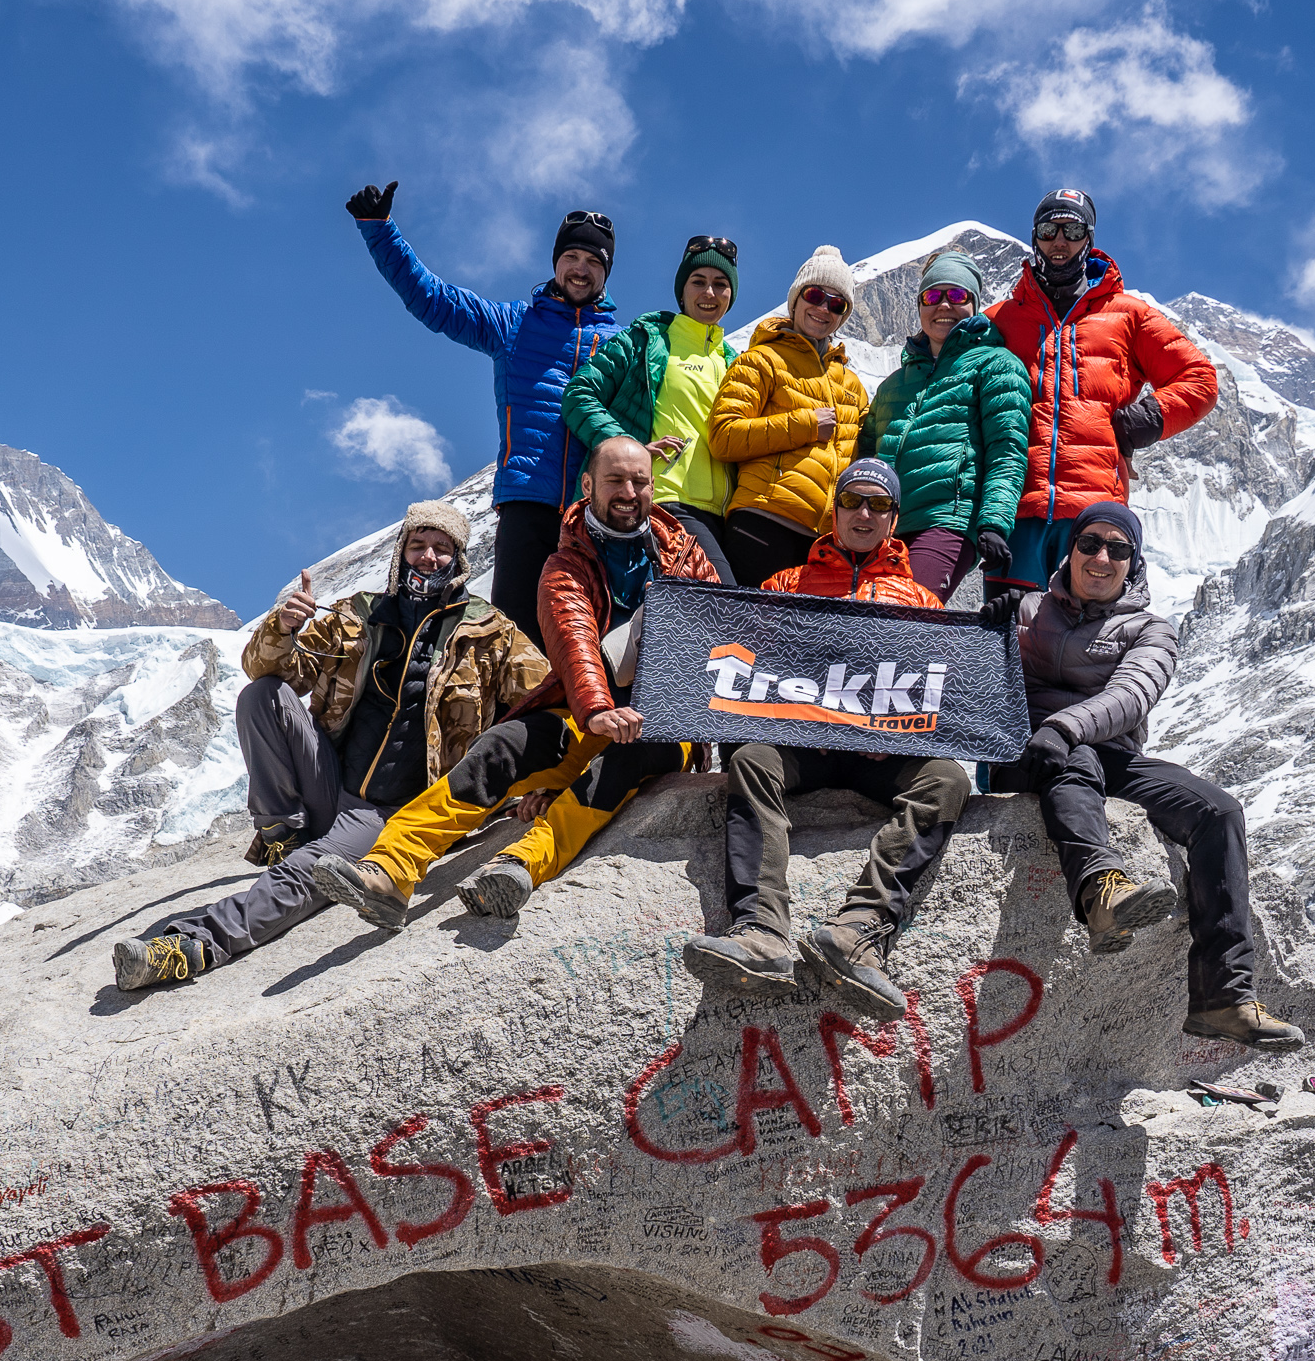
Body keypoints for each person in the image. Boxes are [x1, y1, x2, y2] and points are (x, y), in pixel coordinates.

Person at [112, 504, 547, 991]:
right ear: (401, 552)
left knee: (307, 874)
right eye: (418, 545)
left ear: (458, 559)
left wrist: (543, 789)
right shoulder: (355, 615)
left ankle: (189, 946)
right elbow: (269, 670)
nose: (428, 557)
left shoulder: (491, 633)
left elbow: (545, 706)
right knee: (262, 697)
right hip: (328, 781)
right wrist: (283, 627)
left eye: (441, 548)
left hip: (388, 812)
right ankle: (284, 833)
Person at [314, 437, 722, 927]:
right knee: (504, 745)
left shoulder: (684, 553)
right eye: (615, 480)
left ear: (654, 486)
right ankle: (392, 867)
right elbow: (575, 640)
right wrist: (595, 708)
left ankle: (521, 863)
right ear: (588, 485)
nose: (629, 492)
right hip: (588, 711)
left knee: (627, 760)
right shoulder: (566, 564)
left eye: (640, 481)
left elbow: (715, 626)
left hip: (664, 722)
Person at [1010, 500, 1305, 1052]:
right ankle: (1100, 891)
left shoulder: (1151, 630)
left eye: (1117, 549)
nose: (1101, 557)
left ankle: (1224, 997)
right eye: (1090, 543)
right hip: (1034, 754)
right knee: (1080, 761)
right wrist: (991, 627)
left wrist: (1065, 726)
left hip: (1099, 748)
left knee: (1218, 811)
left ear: (1134, 563)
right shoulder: (1026, 610)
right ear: (1070, 551)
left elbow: (1131, 696)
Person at [684, 459, 973, 1018]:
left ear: (894, 519)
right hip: (802, 749)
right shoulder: (786, 584)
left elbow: (939, 696)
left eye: (879, 505)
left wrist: (901, 735)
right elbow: (749, 669)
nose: (865, 513)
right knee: (750, 759)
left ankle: (858, 933)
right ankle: (761, 933)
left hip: (881, 755)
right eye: (853, 501)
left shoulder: (922, 603)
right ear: (834, 510)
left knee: (947, 779)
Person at [349, 180, 621, 648]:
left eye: (594, 261)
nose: (581, 269)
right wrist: (380, 231)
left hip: (591, 513)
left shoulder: (621, 343)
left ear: (606, 273)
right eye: (572, 257)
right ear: (556, 261)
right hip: (526, 507)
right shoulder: (513, 323)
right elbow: (433, 300)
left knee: (588, 641)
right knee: (512, 638)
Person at [986, 189, 1216, 595]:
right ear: (1035, 237)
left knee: (1080, 649)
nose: (1060, 240)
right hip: (1017, 511)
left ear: (1088, 237)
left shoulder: (1129, 314)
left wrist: (1144, 420)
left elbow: (1199, 378)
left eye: (1072, 229)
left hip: (1094, 519)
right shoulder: (1002, 318)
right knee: (1007, 645)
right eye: (1048, 229)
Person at [561, 235, 740, 583]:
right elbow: (579, 394)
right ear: (682, 289)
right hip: (667, 503)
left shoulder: (735, 362)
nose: (709, 293)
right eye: (698, 281)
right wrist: (628, 446)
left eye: (721, 284)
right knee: (726, 611)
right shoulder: (646, 340)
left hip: (726, 518)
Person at [858, 246, 1031, 602]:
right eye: (932, 296)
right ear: (920, 305)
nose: (944, 305)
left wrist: (994, 521)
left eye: (957, 295)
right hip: (881, 526)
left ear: (974, 302)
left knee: (905, 614)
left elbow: (1006, 449)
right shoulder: (893, 384)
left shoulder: (996, 365)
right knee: (867, 627)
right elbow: (864, 457)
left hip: (946, 521)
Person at [707, 246, 869, 592]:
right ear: (795, 300)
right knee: (750, 639)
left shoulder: (853, 385)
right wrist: (806, 425)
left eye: (837, 303)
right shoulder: (761, 359)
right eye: (814, 295)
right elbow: (723, 435)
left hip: (823, 543)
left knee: (798, 645)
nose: (823, 307)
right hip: (764, 521)